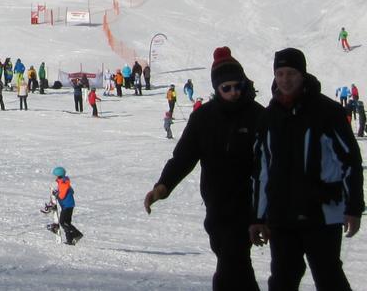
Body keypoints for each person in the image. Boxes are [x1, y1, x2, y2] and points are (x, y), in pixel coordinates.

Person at [144, 47, 265, 291]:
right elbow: (184, 157)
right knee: (233, 263)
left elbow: (269, 166)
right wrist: (162, 186)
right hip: (217, 205)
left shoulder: (257, 116)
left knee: (233, 262)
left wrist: (262, 213)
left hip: (247, 205)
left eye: (237, 87)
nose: (233, 93)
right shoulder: (204, 118)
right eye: (226, 88)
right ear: (217, 88)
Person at [250, 47, 363, 290]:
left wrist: (354, 207)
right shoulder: (269, 117)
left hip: (322, 213)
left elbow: (350, 161)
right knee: (282, 279)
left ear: (302, 74)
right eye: (280, 73)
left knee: (329, 276)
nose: (285, 80)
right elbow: (262, 170)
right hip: (282, 215)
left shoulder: (327, 112)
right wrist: (258, 217)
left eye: (291, 73)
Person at [49, 166, 83, 244]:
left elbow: (62, 195)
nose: (55, 177)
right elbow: (71, 191)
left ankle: (77, 234)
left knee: (63, 222)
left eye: (56, 175)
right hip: (68, 205)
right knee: (67, 222)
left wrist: (56, 194)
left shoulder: (63, 183)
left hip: (67, 205)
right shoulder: (64, 182)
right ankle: (70, 240)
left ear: (59, 175)